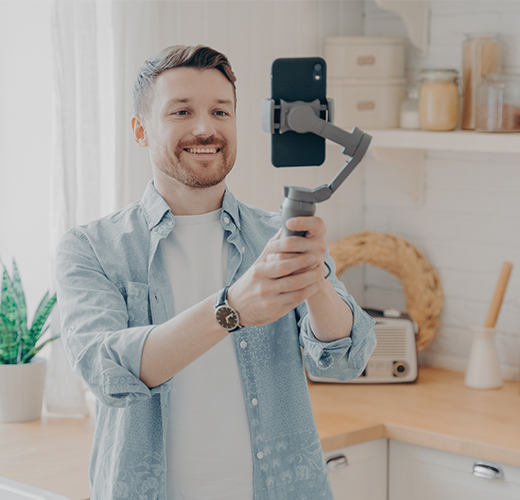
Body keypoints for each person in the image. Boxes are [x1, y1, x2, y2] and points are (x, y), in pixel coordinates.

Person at [55, 44, 376, 500]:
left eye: (220, 111)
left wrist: (315, 281)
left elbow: (346, 361)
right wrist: (233, 308)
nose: (205, 128)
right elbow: (108, 372)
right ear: (141, 130)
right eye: (182, 111)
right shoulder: (92, 248)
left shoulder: (276, 234)